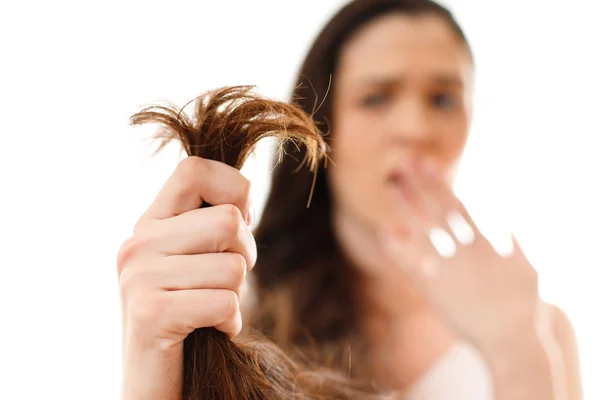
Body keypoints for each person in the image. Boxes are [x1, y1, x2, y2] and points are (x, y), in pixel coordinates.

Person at [116, 0, 582, 398]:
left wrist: (517, 352)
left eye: (442, 99)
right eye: (376, 98)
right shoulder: (229, 305)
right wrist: (149, 355)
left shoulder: (537, 329)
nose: (416, 130)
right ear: (322, 125)